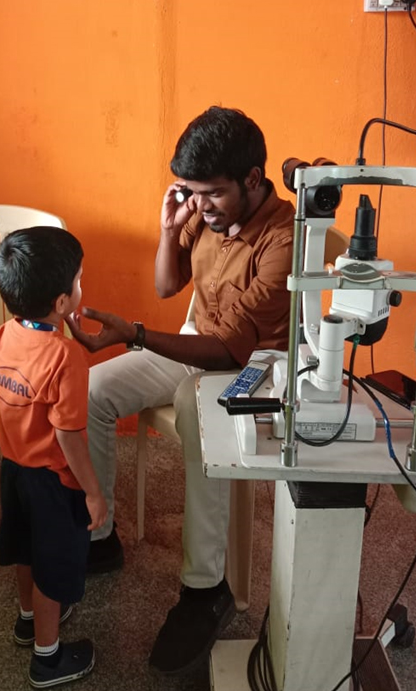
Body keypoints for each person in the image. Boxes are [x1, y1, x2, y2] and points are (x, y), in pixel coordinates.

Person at [68, 105, 295, 675]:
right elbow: (168, 285)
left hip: (256, 365)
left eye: (212, 193)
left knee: (198, 416)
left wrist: (137, 335)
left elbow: (227, 349)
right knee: (93, 390)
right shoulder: (204, 212)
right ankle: (101, 539)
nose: (202, 205)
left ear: (252, 179)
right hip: (195, 344)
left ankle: (204, 588)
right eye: (192, 193)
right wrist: (170, 229)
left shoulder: (283, 239)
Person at [0, 226, 107, 689]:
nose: (81, 286)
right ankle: (47, 659)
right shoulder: (66, 357)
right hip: (54, 483)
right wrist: (93, 492)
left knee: (25, 548)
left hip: (13, 471)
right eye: (79, 280)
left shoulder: (5, 334)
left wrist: (5, 443)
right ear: (61, 301)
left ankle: (27, 620)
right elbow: (69, 436)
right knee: (53, 568)